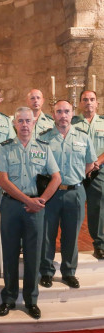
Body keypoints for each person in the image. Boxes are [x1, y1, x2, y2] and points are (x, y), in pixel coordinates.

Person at [0, 107, 61, 319]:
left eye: (28, 121)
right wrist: (28, 201)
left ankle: (31, 300)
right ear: (14, 124)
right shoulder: (5, 148)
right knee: (10, 254)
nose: (24, 125)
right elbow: (3, 181)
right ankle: (9, 298)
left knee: (34, 255)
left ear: (34, 124)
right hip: (12, 207)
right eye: (20, 121)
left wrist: (40, 201)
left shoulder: (43, 147)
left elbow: (56, 177)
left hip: (36, 208)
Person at [39, 100, 97, 289]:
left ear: (72, 113)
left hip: (75, 192)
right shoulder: (44, 138)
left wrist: (78, 176)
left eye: (66, 111)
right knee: (48, 233)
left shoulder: (83, 137)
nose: (63, 115)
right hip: (51, 193)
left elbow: (91, 163)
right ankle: (46, 271)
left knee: (71, 234)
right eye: (59, 112)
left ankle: (69, 272)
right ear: (53, 114)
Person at [72, 90, 104, 259]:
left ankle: (99, 244)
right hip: (78, 172)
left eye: (92, 99)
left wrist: (97, 162)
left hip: (99, 172)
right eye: (85, 100)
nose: (89, 102)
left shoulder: (103, 123)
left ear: (97, 103)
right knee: (74, 209)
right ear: (80, 103)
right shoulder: (73, 123)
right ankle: (69, 245)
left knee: (97, 209)